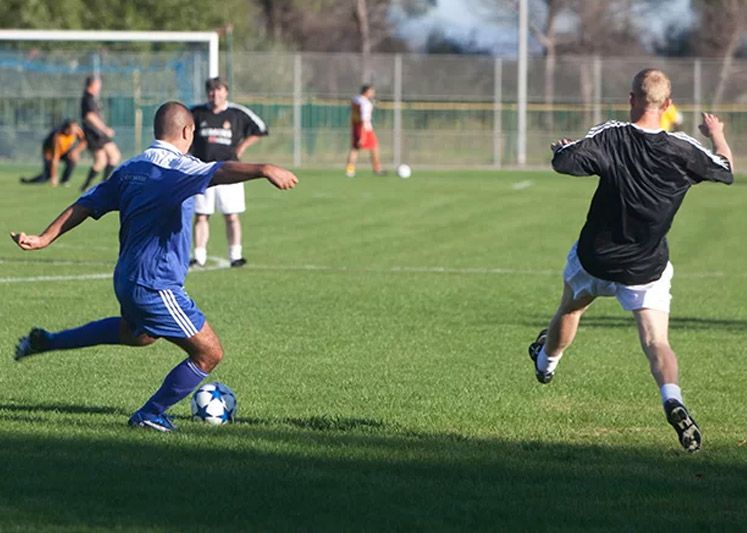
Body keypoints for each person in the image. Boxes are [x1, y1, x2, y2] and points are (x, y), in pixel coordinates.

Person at [11, 101, 298, 432]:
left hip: (128, 277)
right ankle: (150, 413)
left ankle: (47, 341)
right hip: (156, 284)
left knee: (139, 335)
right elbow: (219, 170)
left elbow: (86, 205)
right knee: (209, 353)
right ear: (188, 131)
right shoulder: (177, 167)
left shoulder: (131, 168)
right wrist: (264, 168)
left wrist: (46, 237)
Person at [527, 69, 734, 453]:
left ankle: (546, 364)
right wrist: (716, 133)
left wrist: (563, 150)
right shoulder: (682, 149)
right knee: (657, 341)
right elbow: (725, 170)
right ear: (668, 105)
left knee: (570, 311)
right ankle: (672, 398)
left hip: (596, 258)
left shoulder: (611, 135)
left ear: (631, 99)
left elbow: (566, 162)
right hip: (645, 267)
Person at [189, 77, 269, 268]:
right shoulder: (197, 113)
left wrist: (242, 147)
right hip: (203, 170)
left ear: (226, 92)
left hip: (230, 170)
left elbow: (261, 129)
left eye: (218, 90)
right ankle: (199, 256)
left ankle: (235, 255)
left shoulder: (236, 113)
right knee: (201, 215)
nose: (214, 94)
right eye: (211, 91)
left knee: (231, 215)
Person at [79, 75, 122, 192]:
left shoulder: (92, 98)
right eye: (98, 84)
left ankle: (86, 185)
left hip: (97, 134)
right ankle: (105, 185)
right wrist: (104, 129)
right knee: (114, 155)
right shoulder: (88, 98)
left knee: (101, 161)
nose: (100, 86)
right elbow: (90, 116)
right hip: (96, 134)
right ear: (92, 85)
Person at [20, 120, 86, 187]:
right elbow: (55, 158)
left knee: (72, 160)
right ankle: (29, 181)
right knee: (47, 175)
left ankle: (64, 181)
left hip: (64, 151)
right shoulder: (58, 136)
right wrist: (54, 176)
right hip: (50, 152)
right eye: (74, 128)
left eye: (76, 127)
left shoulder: (77, 131)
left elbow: (84, 142)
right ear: (67, 129)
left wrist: (76, 151)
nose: (76, 130)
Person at [345, 84, 385, 177]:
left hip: (355, 126)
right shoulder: (366, 103)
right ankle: (377, 169)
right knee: (374, 147)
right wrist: (362, 136)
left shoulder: (355, 99)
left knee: (354, 149)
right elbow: (364, 119)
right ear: (366, 92)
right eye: (372, 91)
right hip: (365, 129)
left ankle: (350, 171)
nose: (373, 93)